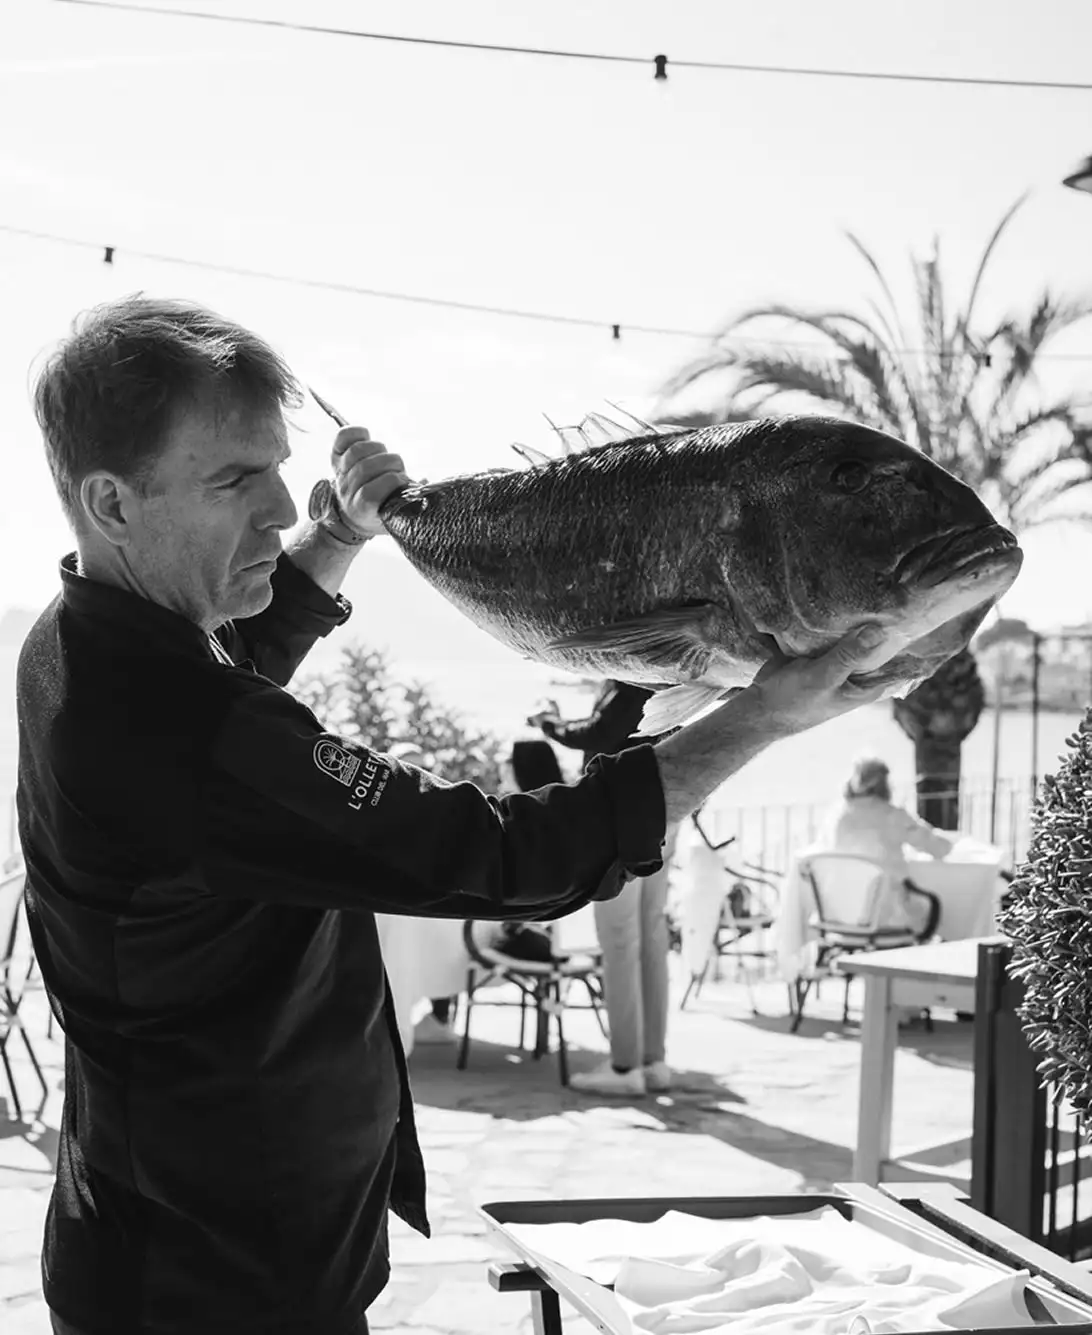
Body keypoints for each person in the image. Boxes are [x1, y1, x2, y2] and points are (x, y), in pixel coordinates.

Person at [17, 294, 892, 1335]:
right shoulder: (180, 731)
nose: (281, 509)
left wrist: (338, 538)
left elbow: (232, 658)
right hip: (213, 1283)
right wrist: (761, 717)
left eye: (280, 469)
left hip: (186, 1242)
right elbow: (504, 856)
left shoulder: (78, 640)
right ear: (113, 504)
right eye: (234, 481)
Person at [529, 681, 679, 1097]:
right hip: (666, 807)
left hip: (624, 816)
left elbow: (601, 731)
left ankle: (625, 1065)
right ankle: (653, 1061)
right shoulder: (669, 670)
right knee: (651, 939)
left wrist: (550, 724)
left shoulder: (632, 673)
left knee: (620, 942)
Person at [816, 756, 956, 930]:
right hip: (885, 918)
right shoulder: (892, 815)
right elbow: (940, 848)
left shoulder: (836, 817)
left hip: (839, 915)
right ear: (884, 784)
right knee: (939, 911)